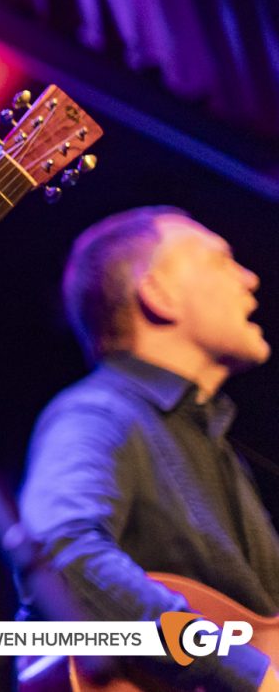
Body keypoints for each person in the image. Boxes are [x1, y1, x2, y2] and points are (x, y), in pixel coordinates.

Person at [16, 207, 279, 691]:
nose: (250, 278)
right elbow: (61, 553)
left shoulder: (215, 445)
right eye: (221, 261)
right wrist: (243, 673)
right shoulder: (98, 413)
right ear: (159, 295)